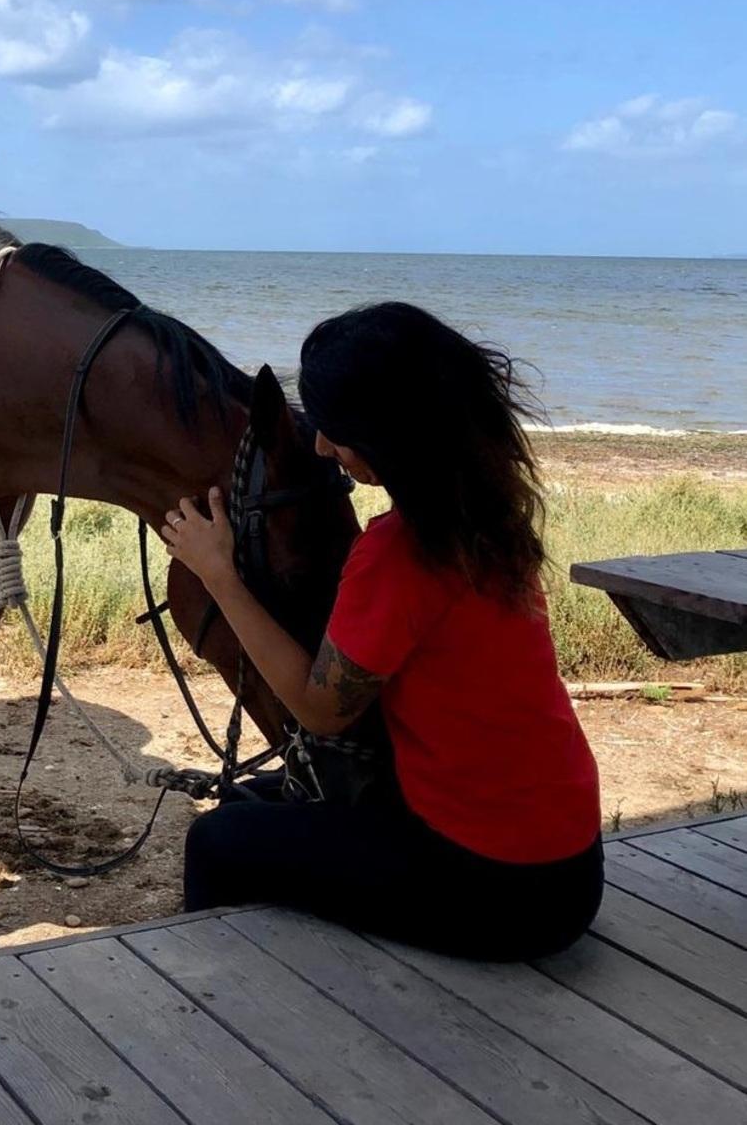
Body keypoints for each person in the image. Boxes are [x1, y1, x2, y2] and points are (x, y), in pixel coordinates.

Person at [163, 302, 602, 961]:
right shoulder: (488, 509)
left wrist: (219, 575)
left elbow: (318, 712)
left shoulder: (401, 552)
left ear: (385, 433)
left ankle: (230, 1009)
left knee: (216, 843)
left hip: (499, 888)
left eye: (333, 430)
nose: (319, 446)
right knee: (257, 797)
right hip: (569, 859)